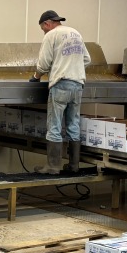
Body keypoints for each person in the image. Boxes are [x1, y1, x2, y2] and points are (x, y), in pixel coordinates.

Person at [29, 10, 91, 174]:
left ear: (47, 23)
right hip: (78, 85)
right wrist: (73, 67)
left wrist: (36, 77)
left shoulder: (51, 35)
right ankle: (74, 166)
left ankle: (53, 166)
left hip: (61, 84)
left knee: (54, 125)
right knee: (73, 124)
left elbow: (43, 64)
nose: (44, 31)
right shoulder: (76, 33)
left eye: (43, 28)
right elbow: (87, 59)